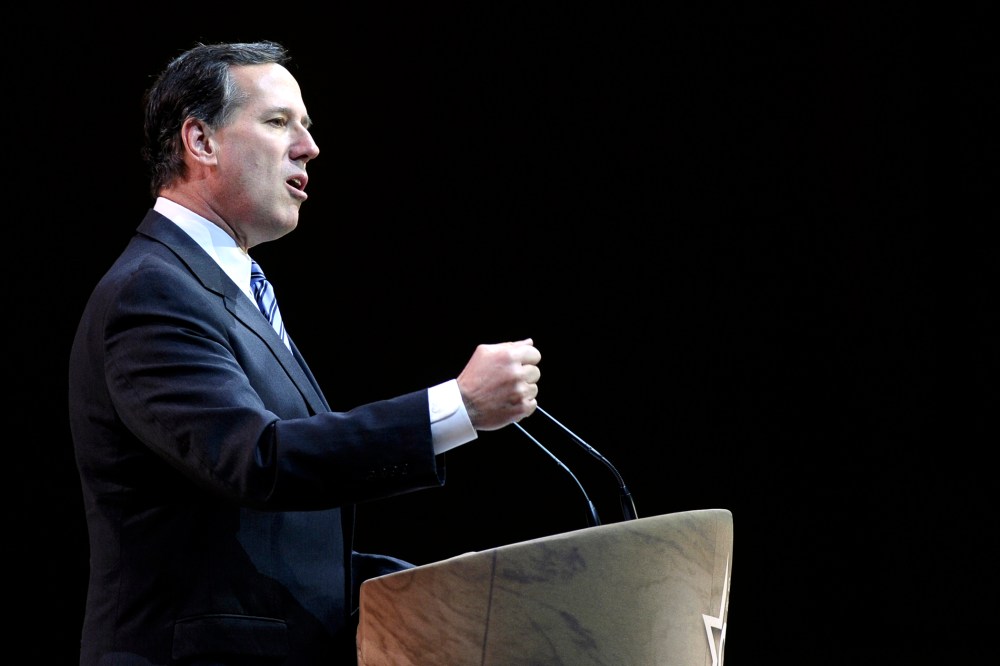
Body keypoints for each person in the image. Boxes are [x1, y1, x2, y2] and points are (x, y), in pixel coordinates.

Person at [67, 40, 541, 666]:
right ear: (201, 143)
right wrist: (457, 407)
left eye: (307, 127)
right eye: (277, 122)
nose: (308, 146)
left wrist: (421, 587)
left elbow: (269, 534)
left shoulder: (228, 288)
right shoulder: (151, 292)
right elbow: (261, 462)